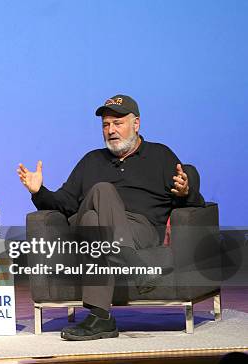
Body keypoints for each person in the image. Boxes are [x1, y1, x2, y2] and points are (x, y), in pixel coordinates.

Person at [17, 95, 205, 341]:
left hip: (140, 229)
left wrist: (186, 190)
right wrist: (39, 192)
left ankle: (101, 319)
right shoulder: (92, 160)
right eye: (106, 125)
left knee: (93, 222)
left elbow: (191, 195)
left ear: (136, 123)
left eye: (118, 123)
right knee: (98, 201)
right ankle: (133, 266)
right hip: (101, 235)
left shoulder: (160, 155)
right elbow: (64, 203)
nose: (111, 130)